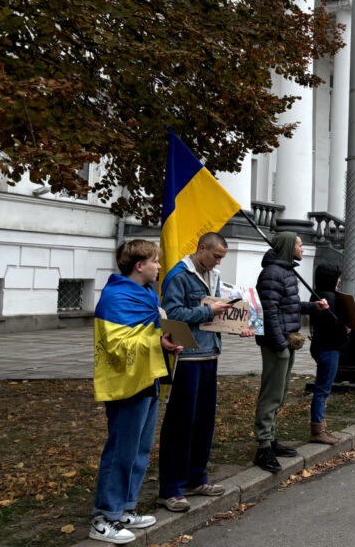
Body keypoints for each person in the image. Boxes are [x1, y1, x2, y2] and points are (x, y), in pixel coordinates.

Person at [90, 240, 183, 544]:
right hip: (126, 383)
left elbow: (149, 332)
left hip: (149, 378)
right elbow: (117, 345)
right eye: (156, 261)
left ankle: (125, 508)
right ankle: (105, 517)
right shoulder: (116, 297)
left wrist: (167, 338)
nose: (159, 266)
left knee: (139, 451)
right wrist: (158, 341)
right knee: (120, 451)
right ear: (139, 266)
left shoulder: (144, 295)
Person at [158, 232, 245, 513]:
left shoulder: (213, 275)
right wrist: (209, 313)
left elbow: (218, 313)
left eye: (221, 257)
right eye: (216, 255)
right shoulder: (180, 275)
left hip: (209, 354)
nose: (218, 261)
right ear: (201, 248)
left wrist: (236, 325)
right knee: (181, 422)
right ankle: (171, 488)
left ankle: (196, 478)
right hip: (188, 357)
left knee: (204, 421)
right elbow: (173, 315)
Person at [253, 232, 328, 473]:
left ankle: (271, 439)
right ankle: (263, 448)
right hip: (278, 342)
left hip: (286, 341)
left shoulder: (284, 271)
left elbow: (289, 306)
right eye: (298, 244)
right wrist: (279, 344)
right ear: (287, 247)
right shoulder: (273, 273)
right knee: (271, 394)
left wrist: (311, 307)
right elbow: (269, 312)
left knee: (280, 393)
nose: (302, 247)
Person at [308, 263, 350, 445]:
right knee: (323, 389)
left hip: (320, 345)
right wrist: (345, 329)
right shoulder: (329, 297)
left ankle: (321, 427)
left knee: (322, 388)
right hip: (328, 347)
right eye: (337, 277)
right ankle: (317, 429)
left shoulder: (318, 294)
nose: (339, 280)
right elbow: (331, 325)